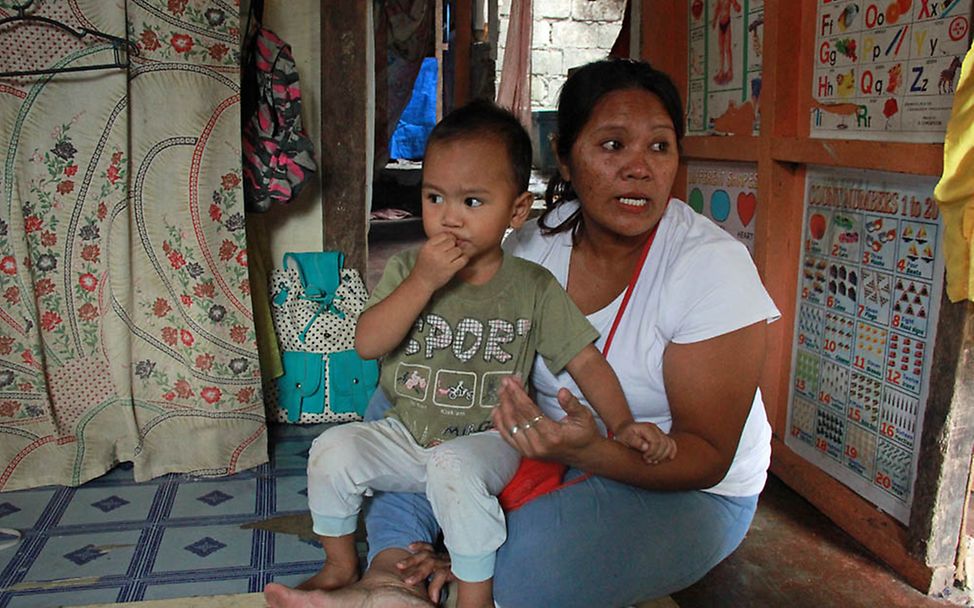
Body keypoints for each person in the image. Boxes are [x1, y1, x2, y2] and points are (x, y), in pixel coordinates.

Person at [264, 58, 779, 608]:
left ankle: (464, 571)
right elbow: (408, 350)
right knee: (403, 396)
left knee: (525, 571)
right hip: (523, 448)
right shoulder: (531, 245)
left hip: (673, 483)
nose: (639, 168)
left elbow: (706, 457)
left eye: (659, 146)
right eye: (611, 146)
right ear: (564, 154)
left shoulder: (709, 266)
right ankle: (389, 571)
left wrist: (595, 448)